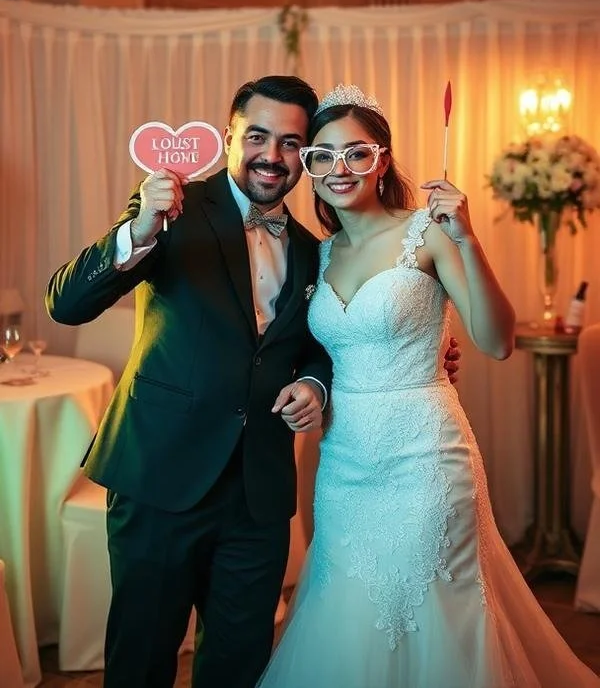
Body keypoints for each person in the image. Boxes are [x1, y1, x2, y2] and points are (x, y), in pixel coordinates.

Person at [45, 74, 461, 688]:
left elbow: (324, 347)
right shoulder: (170, 209)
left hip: (259, 493)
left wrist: (318, 386)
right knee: (141, 657)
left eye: (291, 143)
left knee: (239, 663)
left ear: (309, 157)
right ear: (227, 138)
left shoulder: (314, 247)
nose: (272, 156)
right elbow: (67, 304)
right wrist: (138, 230)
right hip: (161, 476)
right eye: (258, 137)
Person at [257, 84, 600, 688]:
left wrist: (467, 239)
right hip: (342, 461)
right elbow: (316, 350)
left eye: (356, 153)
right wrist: (310, 389)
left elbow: (496, 342)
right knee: (348, 607)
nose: (340, 169)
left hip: (425, 456)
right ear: (308, 166)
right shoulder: (320, 254)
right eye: (322, 156)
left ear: (382, 159)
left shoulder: (429, 231)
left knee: (433, 608)